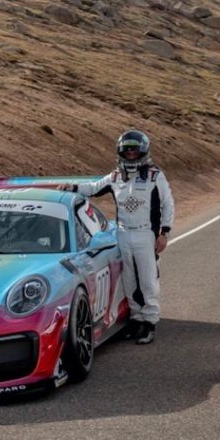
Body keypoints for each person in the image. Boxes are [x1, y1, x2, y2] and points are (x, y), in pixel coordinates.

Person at [68, 130, 174, 344]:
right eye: (127, 152)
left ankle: (150, 321)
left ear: (143, 152)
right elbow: (94, 188)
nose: (131, 155)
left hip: (146, 234)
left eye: (135, 152)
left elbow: (168, 204)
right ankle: (135, 320)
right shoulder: (115, 176)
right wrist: (72, 187)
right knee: (129, 279)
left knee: (148, 279)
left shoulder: (155, 175)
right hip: (123, 233)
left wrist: (164, 233)